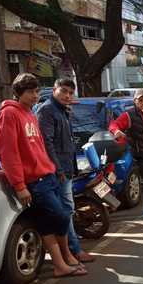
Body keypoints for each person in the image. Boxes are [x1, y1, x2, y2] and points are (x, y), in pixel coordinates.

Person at [0, 73, 87, 277]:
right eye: (30, 92)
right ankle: (64, 259)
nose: (36, 95)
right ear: (19, 92)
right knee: (61, 216)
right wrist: (19, 185)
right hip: (34, 181)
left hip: (48, 175)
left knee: (50, 221)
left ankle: (62, 262)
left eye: (36, 91)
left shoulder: (30, 114)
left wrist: (53, 170)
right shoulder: (9, 114)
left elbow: (40, 146)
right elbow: (7, 153)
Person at [37, 78, 95, 264]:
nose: (67, 95)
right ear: (54, 90)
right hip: (56, 171)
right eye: (63, 91)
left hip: (66, 168)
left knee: (66, 210)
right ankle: (73, 250)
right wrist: (59, 169)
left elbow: (67, 142)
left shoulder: (64, 111)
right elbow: (47, 143)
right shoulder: (47, 110)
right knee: (65, 211)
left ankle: (70, 250)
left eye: (70, 92)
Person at [109, 90, 143, 220]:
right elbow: (114, 124)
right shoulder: (129, 115)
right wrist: (116, 131)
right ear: (135, 101)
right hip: (140, 154)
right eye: (140, 100)